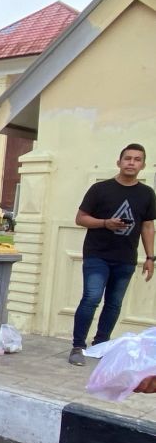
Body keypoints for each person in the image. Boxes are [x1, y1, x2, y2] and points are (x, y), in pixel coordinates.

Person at [69, 144, 155, 365]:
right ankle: (78, 346)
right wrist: (106, 223)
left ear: (143, 165)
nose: (131, 163)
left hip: (125, 258)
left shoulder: (147, 194)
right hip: (97, 255)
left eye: (137, 159)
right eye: (127, 158)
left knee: (114, 304)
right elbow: (80, 218)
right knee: (91, 298)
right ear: (119, 162)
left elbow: (147, 227)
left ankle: (101, 345)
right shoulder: (100, 190)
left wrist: (150, 257)